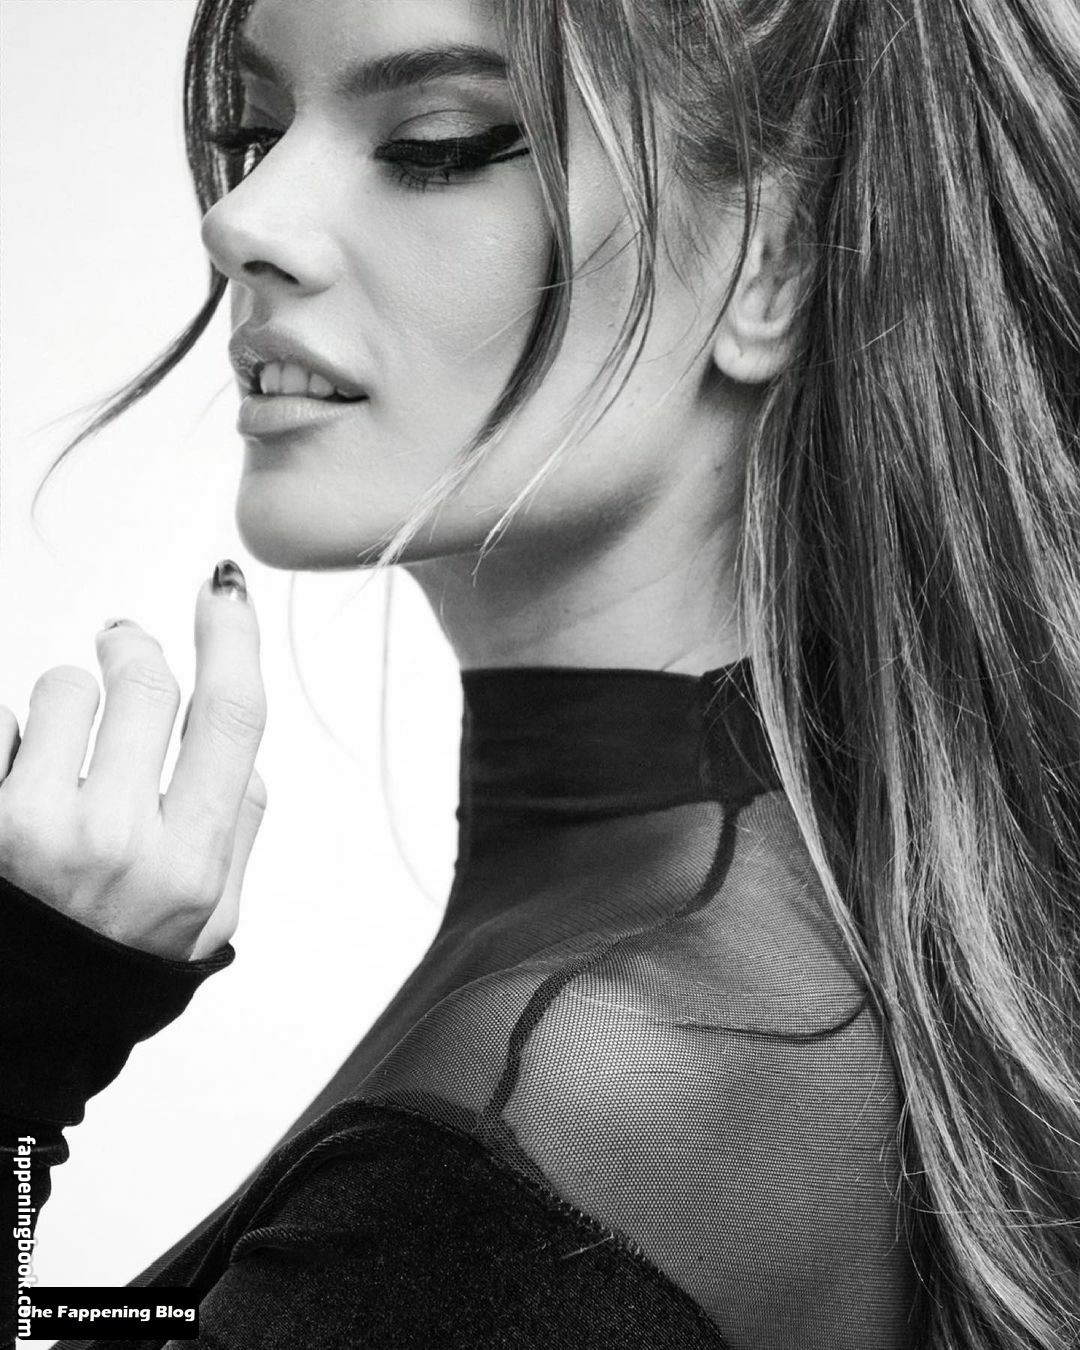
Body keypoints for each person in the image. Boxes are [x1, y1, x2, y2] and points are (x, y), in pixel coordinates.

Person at [2, 0, 1079, 1346]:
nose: (242, 219)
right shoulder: (754, 963)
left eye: (438, 143)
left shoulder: (581, 1107)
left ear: (770, 263)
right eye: (252, 132)